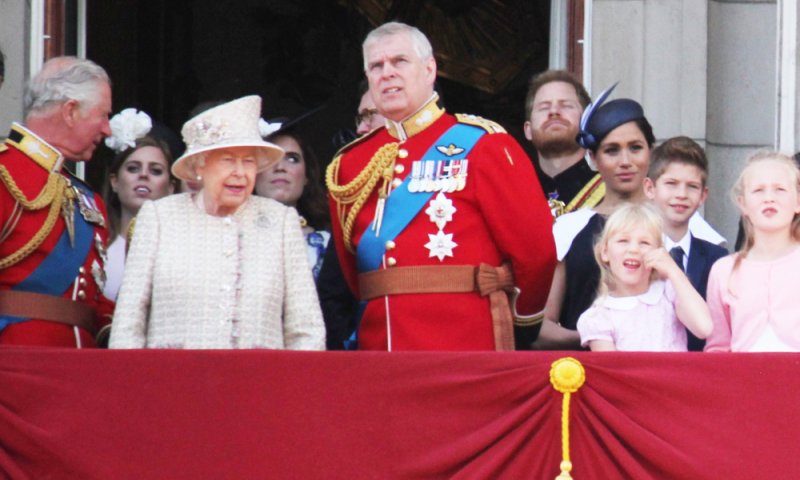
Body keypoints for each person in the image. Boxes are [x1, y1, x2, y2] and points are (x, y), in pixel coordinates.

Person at [326, 22, 556, 351]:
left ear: (429, 69)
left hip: (465, 345)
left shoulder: (483, 145)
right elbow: (354, 273)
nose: (387, 73)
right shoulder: (350, 164)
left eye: (400, 61)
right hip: (380, 348)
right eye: (376, 66)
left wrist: (522, 324)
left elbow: (535, 252)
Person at [109, 95, 325, 349]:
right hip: (173, 374)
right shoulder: (159, 218)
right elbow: (128, 325)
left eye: (248, 161)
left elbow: (306, 330)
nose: (240, 173)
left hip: (260, 374)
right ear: (200, 165)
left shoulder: (281, 222)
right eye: (228, 160)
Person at [0, 56, 114, 347]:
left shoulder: (89, 199)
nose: (108, 130)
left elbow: (91, 300)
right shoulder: (4, 173)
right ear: (71, 111)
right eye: (103, 116)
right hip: (15, 362)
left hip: (78, 364)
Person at [537, 88, 656, 350]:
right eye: (612, 150)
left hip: (662, 370)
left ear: (651, 151)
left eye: (635, 148)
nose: (625, 161)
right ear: (592, 158)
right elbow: (542, 328)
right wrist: (596, 335)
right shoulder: (569, 228)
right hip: (584, 369)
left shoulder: (676, 226)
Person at [577, 203, 712, 351]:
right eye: (623, 241)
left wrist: (673, 270)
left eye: (645, 243)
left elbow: (704, 328)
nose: (634, 249)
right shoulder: (597, 317)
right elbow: (609, 364)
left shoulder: (669, 293)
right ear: (605, 252)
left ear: (659, 252)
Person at [705, 152, 800, 352]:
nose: (769, 198)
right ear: (743, 204)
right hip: (743, 372)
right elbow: (717, 348)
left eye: (780, 189)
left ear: (798, 202)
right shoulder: (723, 271)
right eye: (758, 190)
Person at [643, 136, 727, 350]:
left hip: (700, 365)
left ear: (703, 195)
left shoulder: (718, 259)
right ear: (650, 188)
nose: (681, 194)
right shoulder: (633, 252)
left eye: (692, 186)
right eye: (671, 184)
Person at [102, 108, 176, 301]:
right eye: (133, 168)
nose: (143, 175)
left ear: (170, 187)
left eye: (156, 171)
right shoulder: (96, 247)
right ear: (115, 181)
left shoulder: (180, 250)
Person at [255, 124, 330, 280]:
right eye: (268, 158)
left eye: (292, 159)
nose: (280, 167)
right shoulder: (229, 240)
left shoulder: (329, 245)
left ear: (307, 176)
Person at [524, 69, 602, 217]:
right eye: (544, 107)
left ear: (587, 123)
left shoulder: (612, 193)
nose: (554, 111)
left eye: (566, 105)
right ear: (528, 130)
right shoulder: (514, 195)